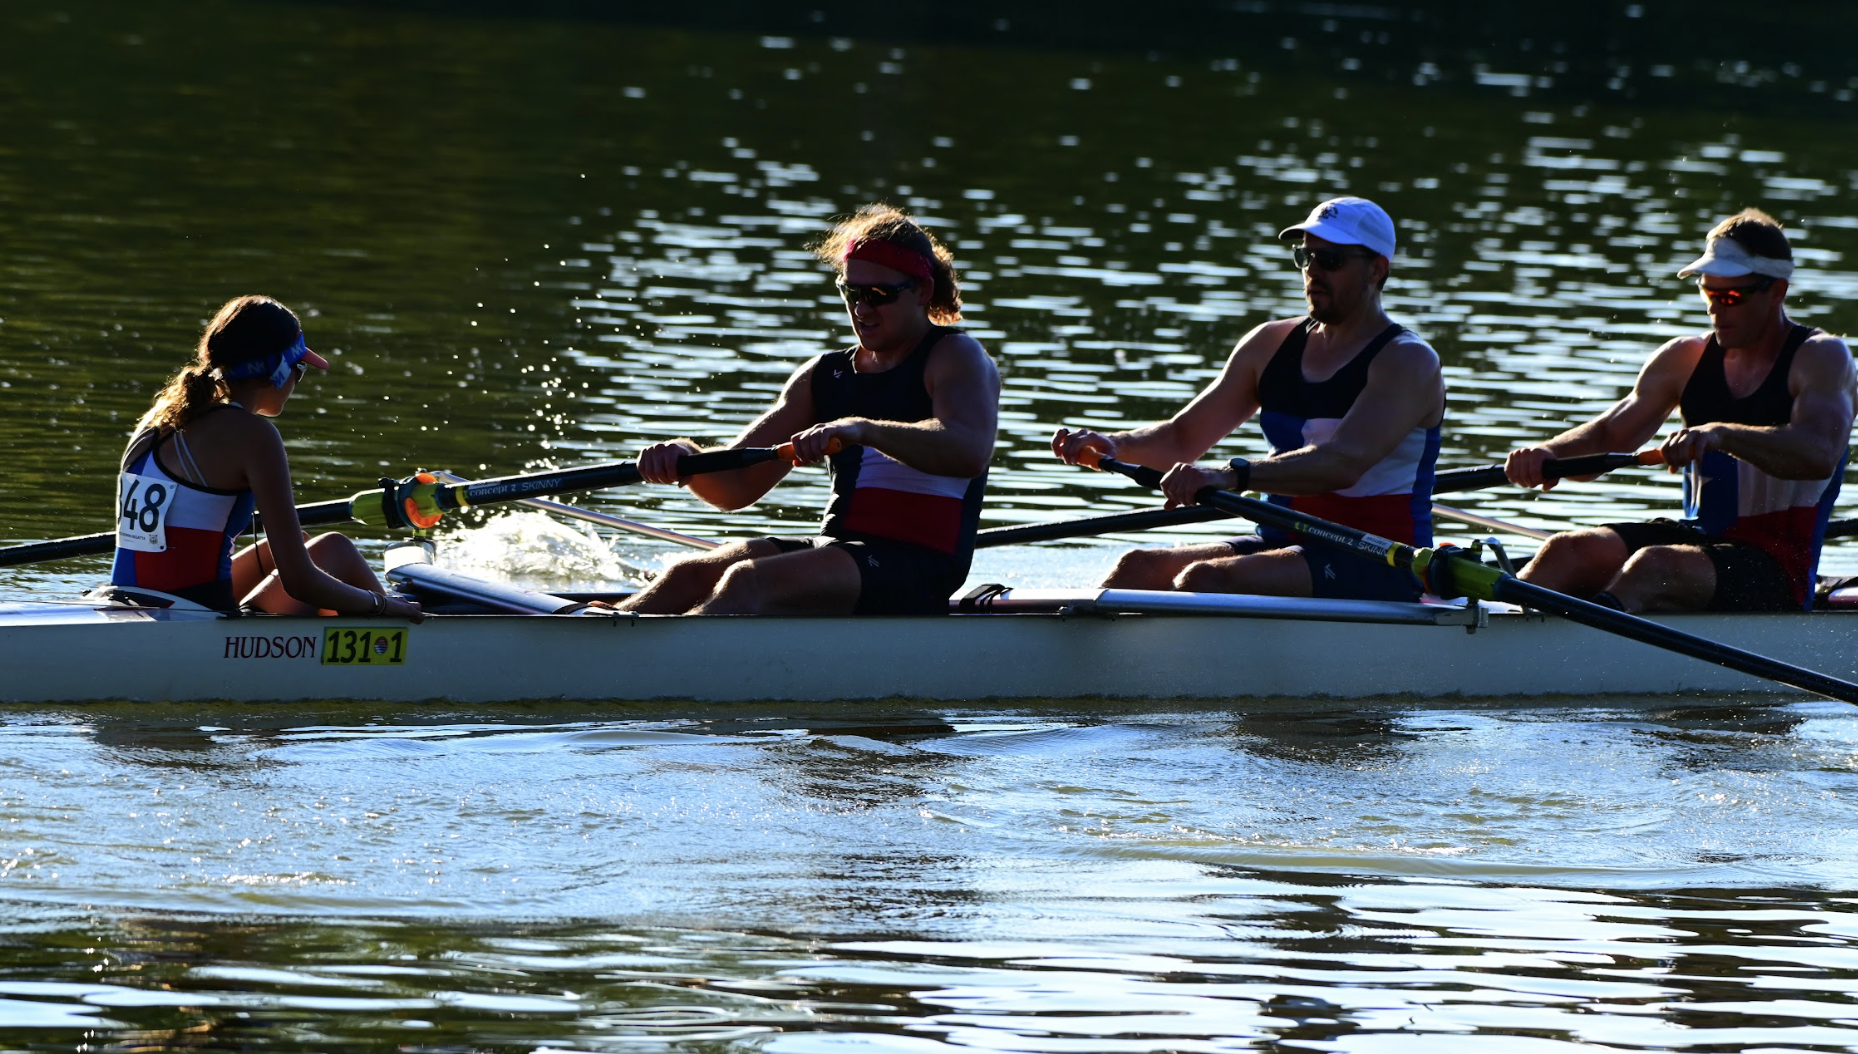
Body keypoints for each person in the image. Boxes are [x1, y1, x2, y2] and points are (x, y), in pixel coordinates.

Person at [1051, 196, 1444, 601]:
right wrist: (1117, 444)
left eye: (1331, 261)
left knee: (1206, 579)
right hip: (1283, 540)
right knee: (1136, 566)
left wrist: (1230, 475)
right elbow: (1182, 438)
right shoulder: (1269, 344)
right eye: (1306, 258)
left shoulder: (1406, 362)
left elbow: (1341, 462)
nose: (1313, 272)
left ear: (1377, 269)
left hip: (1380, 557)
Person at [618, 204, 999, 616]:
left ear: (922, 291)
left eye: (879, 295)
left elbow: (968, 450)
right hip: (841, 551)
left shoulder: (955, 356)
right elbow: (737, 487)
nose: (861, 308)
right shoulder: (825, 375)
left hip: (918, 563)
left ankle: (650, 669)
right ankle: (596, 640)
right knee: (686, 575)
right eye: (851, 292)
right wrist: (687, 460)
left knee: (747, 580)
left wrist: (863, 429)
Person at [1504, 209, 1855, 613]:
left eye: (1730, 297)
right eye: (1708, 294)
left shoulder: (1820, 357)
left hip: (1778, 565)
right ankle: (1492, 636)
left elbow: (1818, 454)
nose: (1714, 310)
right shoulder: (1683, 359)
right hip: (1698, 539)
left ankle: (1577, 651)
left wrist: (1722, 434)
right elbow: (1605, 440)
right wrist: (1547, 454)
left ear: (1776, 291)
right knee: (1567, 550)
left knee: (1654, 566)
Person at [111, 295, 423, 620]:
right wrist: (383, 605)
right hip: (196, 616)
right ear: (275, 371)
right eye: (298, 369)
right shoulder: (254, 435)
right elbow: (300, 582)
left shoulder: (160, 417)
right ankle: (402, 634)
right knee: (334, 549)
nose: (297, 381)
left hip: (126, 599)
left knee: (297, 545)